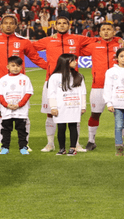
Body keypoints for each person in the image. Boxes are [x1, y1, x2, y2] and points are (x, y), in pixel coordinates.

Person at [0, 15, 47, 152]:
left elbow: (36, 58)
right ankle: (1, 143)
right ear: (0, 25)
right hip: (0, 84)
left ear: (16, 26)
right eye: (5, 23)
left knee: (23, 114)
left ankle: (25, 144)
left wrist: (51, 68)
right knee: (1, 114)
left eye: (11, 23)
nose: (8, 25)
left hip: (20, 85)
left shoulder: (23, 42)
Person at [33, 17, 93, 152]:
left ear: (69, 24)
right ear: (54, 26)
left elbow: (95, 42)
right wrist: (45, 65)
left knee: (75, 113)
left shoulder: (77, 38)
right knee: (50, 113)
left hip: (73, 81)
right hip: (52, 80)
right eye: (58, 23)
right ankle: (50, 143)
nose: (61, 25)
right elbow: (30, 48)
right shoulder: (48, 40)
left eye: (64, 23)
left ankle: (75, 144)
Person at [80, 22, 123, 151]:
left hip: (118, 87)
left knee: (121, 115)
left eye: (109, 29)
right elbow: (78, 48)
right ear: (99, 32)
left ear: (114, 32)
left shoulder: (121, 45)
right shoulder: (94, 46)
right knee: (95, 114)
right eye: (103, 29)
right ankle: (91, 140)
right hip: (98, 86)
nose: (106, 32)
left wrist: (118, 40)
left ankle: (122, 143)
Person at [48, 54, 87, 156]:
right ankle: (62, 148)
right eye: (73, 61)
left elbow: (83, 92)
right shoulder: (55, 77)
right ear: (67, 62)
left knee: (73, 127)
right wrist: (53, 107)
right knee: (61, 127)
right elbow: (51, 93)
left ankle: (73, 148)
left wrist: (83, 107)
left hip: (74, 106)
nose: (76, 63)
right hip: (60, 107)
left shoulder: (78, 76)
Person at [0, 56, 33, 155]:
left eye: (18, 66)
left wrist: (19, 104)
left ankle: (23, 148)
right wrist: (6, 105)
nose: (15, 68)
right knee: (6, 130)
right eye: (13, 65)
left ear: (21, 67)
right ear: (7, 66)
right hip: (7, 110)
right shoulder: (3, 79)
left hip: (21, 111)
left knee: (22, 131)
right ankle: (5, 148)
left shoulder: (25, 79)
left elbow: (28, 93)